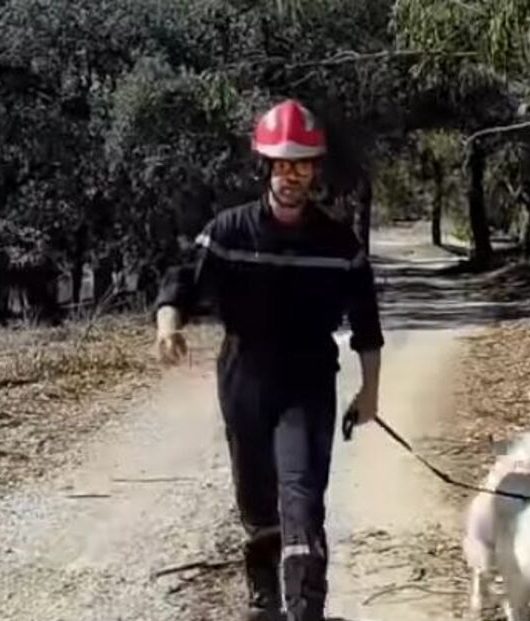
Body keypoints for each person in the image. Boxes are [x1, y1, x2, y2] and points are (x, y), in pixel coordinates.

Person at [153, 99, 384, 621]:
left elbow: (366, 321)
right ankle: (264, 602)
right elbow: (184, 278)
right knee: (256, 500)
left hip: (307, 379)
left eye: (302, 164)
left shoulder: (337, 243)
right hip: (245, 377)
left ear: (314, 170)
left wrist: (370, 391)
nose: (291, 175)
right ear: (267, 167)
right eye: (282, 164)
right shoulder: (230, 231)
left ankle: (307, 609)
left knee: (301, 496)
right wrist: (169, 322)